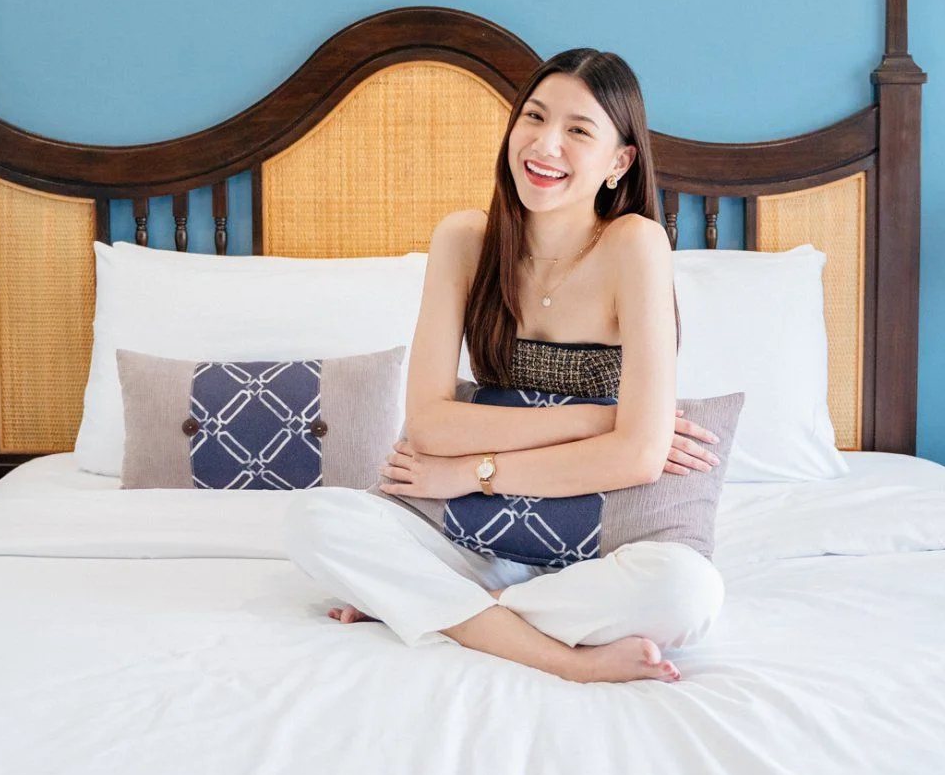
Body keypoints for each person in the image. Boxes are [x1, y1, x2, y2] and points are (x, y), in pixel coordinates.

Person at [285, 49, 724, 683]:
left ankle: (449, 609)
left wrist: (471, 471)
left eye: (578, 130)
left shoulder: (634, 244)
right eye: (534, 117)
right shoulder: (465, 240)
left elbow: (637, 459)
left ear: (620, 162)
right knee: (314, 521)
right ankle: (558, 656)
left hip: (596, 550)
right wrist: (601, 422)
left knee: (687, 592)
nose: (545, 144)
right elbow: (429, 424)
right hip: (470, 541)